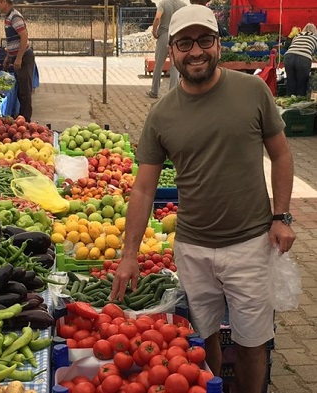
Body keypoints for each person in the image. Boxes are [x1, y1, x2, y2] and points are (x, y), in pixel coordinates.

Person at [110, 5, 295, 393]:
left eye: (205, 40)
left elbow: (281, 153)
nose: (196, 51)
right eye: (185, 43)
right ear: (172, 50)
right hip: (192, 249)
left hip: (250, 244)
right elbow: (143, 188)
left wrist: (282, 216)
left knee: (251, 342)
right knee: (202, 339)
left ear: (218, 45)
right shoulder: (161, 115)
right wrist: (128, 254)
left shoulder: (253, 91)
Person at [0, 0, 35, 122]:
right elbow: (13, 41)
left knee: (25, 91)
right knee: (20, 90)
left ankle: (26, 121)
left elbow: (24, 38)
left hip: (24, 58)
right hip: (16, 58)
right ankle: (21, 118)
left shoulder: (15, 17)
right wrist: (8, 57)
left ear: (4, 2)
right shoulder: (8, 17)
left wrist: (18, 58)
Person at [146, 0, 186, 99]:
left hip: (164, 35)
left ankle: (154, 91)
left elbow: (158, 17)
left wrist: (154, 31)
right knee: (175, 66)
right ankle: (172, 94)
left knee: (158, 65)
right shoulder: (183, 5)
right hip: (176, 36)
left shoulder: (163, 3)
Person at [284, 23, 317, 96]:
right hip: (303, 59)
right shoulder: (315, 37)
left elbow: (290, 46)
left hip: (289, 57)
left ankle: (289, 102)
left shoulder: (298, 35)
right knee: (301, 84)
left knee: (290, 82)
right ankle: (299, 104)